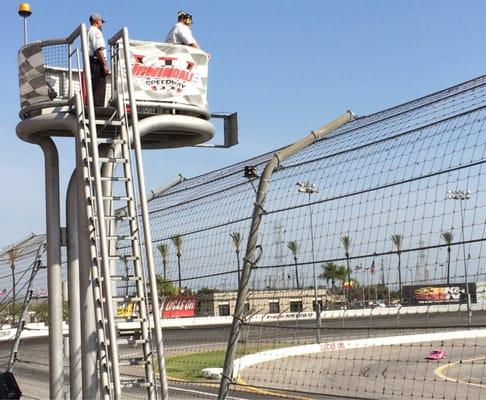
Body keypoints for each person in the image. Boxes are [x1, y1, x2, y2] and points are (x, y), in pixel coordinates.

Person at [88, 12, 110, 107]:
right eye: (101, 22)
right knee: (99, 87)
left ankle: (93, 106)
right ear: (97, 21)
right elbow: (98, 49)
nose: (102, 24)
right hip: (97, 62)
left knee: (93, 86)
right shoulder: (96, 32)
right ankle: (98, 108)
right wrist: (104, 64)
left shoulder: (88, 31)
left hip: (91, 62)